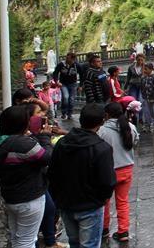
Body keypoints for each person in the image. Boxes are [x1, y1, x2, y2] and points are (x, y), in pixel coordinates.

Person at [48, 103, 116, 248]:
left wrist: (58, 197)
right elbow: (107, 181)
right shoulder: (101, 148)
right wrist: (102, 198)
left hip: (66, 203)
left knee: (74, 242)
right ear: (101, 122)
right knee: (89, 244)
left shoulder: (62, 143)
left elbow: (52, 173)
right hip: (90, 205)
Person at [0, 105, 53, 248]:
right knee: (27, 241)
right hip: (29, 198)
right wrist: (45, 137)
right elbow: (47, 158)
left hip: (11, 196)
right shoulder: (22, 144)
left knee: (16, 238)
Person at [98, 102, 139, 243]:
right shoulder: (131, 127)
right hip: (126, 169)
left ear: (106, 115)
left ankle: (104, 229)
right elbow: (135, 142)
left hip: (108, 170)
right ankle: (123, 231)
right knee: (122, 201)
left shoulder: (102, 131)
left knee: (104, 201)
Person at [54, 52, 79, 120]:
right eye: (66, 58)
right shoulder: (61, 64)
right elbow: (55, 73)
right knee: (65, 97)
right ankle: (64, 112)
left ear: (73, 59)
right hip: (63, 84)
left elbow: (82, 74)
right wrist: (57, 81)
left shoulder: (76, 65)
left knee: (71, 99)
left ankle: (70, 114)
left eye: (68, 58)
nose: (67, 59)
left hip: (73, 84)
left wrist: (81, 85)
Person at [139, 63, 154, 133]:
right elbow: (141, 86)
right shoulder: (143, 77)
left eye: (146, 69)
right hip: (145, 97)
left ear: (151, 69)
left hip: (153, 98)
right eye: (144, 69)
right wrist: (143, 94)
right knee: (146, 112)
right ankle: (147, 125)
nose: (144, 71)